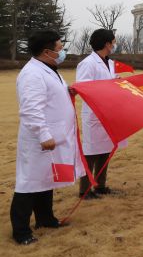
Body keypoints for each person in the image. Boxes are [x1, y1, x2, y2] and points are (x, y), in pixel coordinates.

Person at [11, 30, 81, 245]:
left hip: (53, 137)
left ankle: (45, 218)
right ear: (47, 51)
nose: (63, 52)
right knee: (29, 182)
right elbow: (31, 108)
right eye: (60, 48)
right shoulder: (32, 74)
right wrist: (43, 133)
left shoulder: (49, 69)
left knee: (46, 179)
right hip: (39, 139)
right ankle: (21, 230)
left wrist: (66, 92)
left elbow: (51, 95)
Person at [76, 28, 123, 199]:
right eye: (113, 42)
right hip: (94, 113)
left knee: (105, 150)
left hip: (107, 112)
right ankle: (85, 189)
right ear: (106, 43)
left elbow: (109, 82)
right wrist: (108, 87)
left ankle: (100, 185)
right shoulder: (88, 63)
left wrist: (115, 82)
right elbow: (84, 87)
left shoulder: (109, 62)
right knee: (91, 152)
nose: (114, 45)